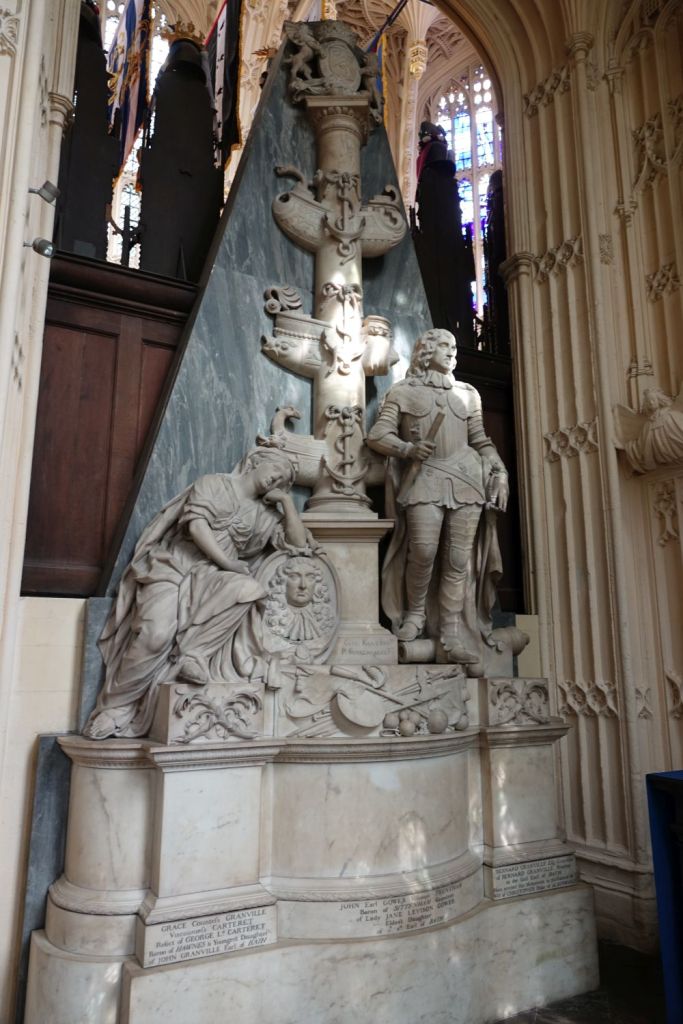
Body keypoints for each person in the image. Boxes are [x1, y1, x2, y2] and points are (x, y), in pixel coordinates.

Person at [84, 447, 311, 739]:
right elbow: (196, 526)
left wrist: (287, 503)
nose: (276, 480)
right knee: (155, 636)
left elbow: (298, 543)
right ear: (255, 462)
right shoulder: (214, 484)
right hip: (175, 566)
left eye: (283, 481)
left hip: (213, 577)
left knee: (250, 589)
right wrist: (228, 562)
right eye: (276, 471)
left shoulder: (265, 516)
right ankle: (115, 707)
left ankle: (194, 654)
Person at [367, 328, 508, 664]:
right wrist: (407, 448)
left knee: (458, 561)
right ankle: (415, 615)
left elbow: (481, 441)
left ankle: (451, 632)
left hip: (466, 480)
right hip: (425, 478)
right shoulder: (403, 391)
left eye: (454, 347)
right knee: (424, 552)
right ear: (426, 350)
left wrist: (500, 471)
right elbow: (377, 435)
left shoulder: (468, 394)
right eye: (444, 345)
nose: (451, 352)